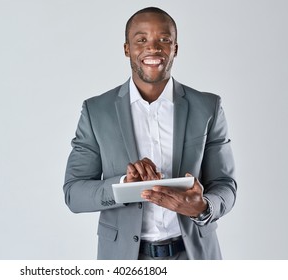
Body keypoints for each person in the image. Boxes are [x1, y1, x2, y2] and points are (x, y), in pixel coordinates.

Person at [63, 6, 237, 260]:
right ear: (126, 49)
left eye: (164, 40)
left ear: (175, 48)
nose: (153, 48)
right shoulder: (96, 111)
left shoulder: (208, 107)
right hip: (124, 258)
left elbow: (226, 185)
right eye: (141, 39)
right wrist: (122, 186)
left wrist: (203, 207)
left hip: (194, 256)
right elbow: (74, 193)